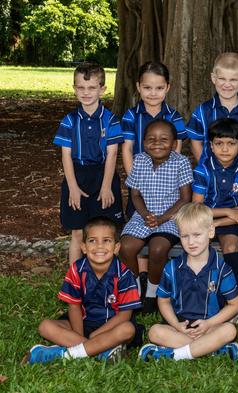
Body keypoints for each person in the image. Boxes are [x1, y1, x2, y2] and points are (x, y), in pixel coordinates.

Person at [25, 217, 141, 364]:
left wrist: (96, 335)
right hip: (82, 324)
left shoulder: (124, 274)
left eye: (106, 240)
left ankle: (66, 354)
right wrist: (81, 336)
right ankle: (100, 352)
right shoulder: (76, 270)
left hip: (112, 327)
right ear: (83, 247)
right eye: (92, 240)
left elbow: (125, 315)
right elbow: (74, 307)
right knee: (45, 327)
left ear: (117, 247)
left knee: (128, 329)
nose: (99, 246)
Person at [139, 203, 238, 361]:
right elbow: (164, 301)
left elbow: (235, 305)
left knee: (229, 330)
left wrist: (208, 324)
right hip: (181, 327)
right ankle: (210, 350)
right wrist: (176, 325)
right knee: (155, 332)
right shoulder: (171, 268)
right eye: (185, 236)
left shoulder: (222, 269)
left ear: (211, 231)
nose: (191, 242)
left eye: (197, 235)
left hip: (209, 326)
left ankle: (176, 354)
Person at [53, 62, 124, 265]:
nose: (86, 93)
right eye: (81, 88)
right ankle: (75, 282)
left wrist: (106, 187)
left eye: (92, 87)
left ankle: (110, 281)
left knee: (107, 231)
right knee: (77, 233)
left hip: (104, 176)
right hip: (76, 176)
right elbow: (66, 156)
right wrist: (73, 187)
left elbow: (112, 155)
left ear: (102, 89)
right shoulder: (69, 121)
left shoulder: (111, 121)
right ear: (74, 88)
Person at [119, 119, 193, 313]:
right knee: (126, 247)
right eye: (151, 139)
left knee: (158, 248)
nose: (157, 143)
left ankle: (152, 292)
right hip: (143, 215)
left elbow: (185, 198)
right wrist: (145, 215)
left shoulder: (181, 162)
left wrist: (161, 219)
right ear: (143, 143)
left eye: (163, 139)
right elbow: (134, 194)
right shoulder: (140, 160)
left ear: (174, 143)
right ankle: (134, 291)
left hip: (171, 217)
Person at [121, 61, 187, 217]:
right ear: (138, 87)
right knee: (137, 218)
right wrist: (136, 180)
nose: (153, 93)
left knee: (166, 220)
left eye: (159, 88)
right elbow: (127, 148)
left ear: (168, 88)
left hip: (167, 181)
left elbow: (176, 150)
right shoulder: (131, 116)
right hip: (139, 181)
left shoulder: (174, 116)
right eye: (147, 88)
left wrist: (170, 177)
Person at [192, 118, 238, 288]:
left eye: (231, 144)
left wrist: (217, 222)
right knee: (196, 244)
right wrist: (227, 211)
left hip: (228, 222)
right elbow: (197, 207)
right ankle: (199, 288)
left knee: (231, 245)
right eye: (219, 143)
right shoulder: (203, 169)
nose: (224, 149)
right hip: (202, 219)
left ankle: (234, 294)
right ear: (211, 145)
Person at [186, 52, 238, 165]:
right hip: (211, 174)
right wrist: (205, 168)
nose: (227, 85)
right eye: (222, 79)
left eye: (233, 80)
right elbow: (195, 141)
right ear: (214, 78)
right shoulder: (203, 111)